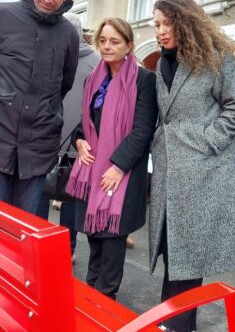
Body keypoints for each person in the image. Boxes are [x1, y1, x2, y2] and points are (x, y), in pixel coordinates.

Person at [149, 0, 235, 332]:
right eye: (156, 25)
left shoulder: (215, 59)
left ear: (186, 21)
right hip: (168, 172)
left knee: (188, 257)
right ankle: (173, 321)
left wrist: (207, 140)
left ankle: (176, 325)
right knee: (170, 253)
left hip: (200, 173)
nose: (160, 31)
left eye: (167, 23)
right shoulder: (162, 63)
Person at [66, 17, 158, 299]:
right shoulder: (95, 78)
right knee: (94, 238)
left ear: (129, 45)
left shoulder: (144, 79)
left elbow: (143, 131)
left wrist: (118, 167)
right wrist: (79, 140)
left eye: (115, 41)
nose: (107, 47)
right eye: (103, 41)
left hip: (124, 172)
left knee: (112, 240)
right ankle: (91, 295)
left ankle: (105, 300)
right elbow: (85, 123)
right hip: (93, 169)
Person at [0, 0, 79, 214]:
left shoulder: (69, 34)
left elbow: (64, 85)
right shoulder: (3, 16)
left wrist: (46, 114)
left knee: (25, 231)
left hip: (38, 149)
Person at [36, 12, 100, 257]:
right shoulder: (96, 61)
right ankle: (67, 249)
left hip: (49, 134)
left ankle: (39, 243)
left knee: (43, 189)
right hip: (80, 139)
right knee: (72, 196)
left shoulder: (52, 53)